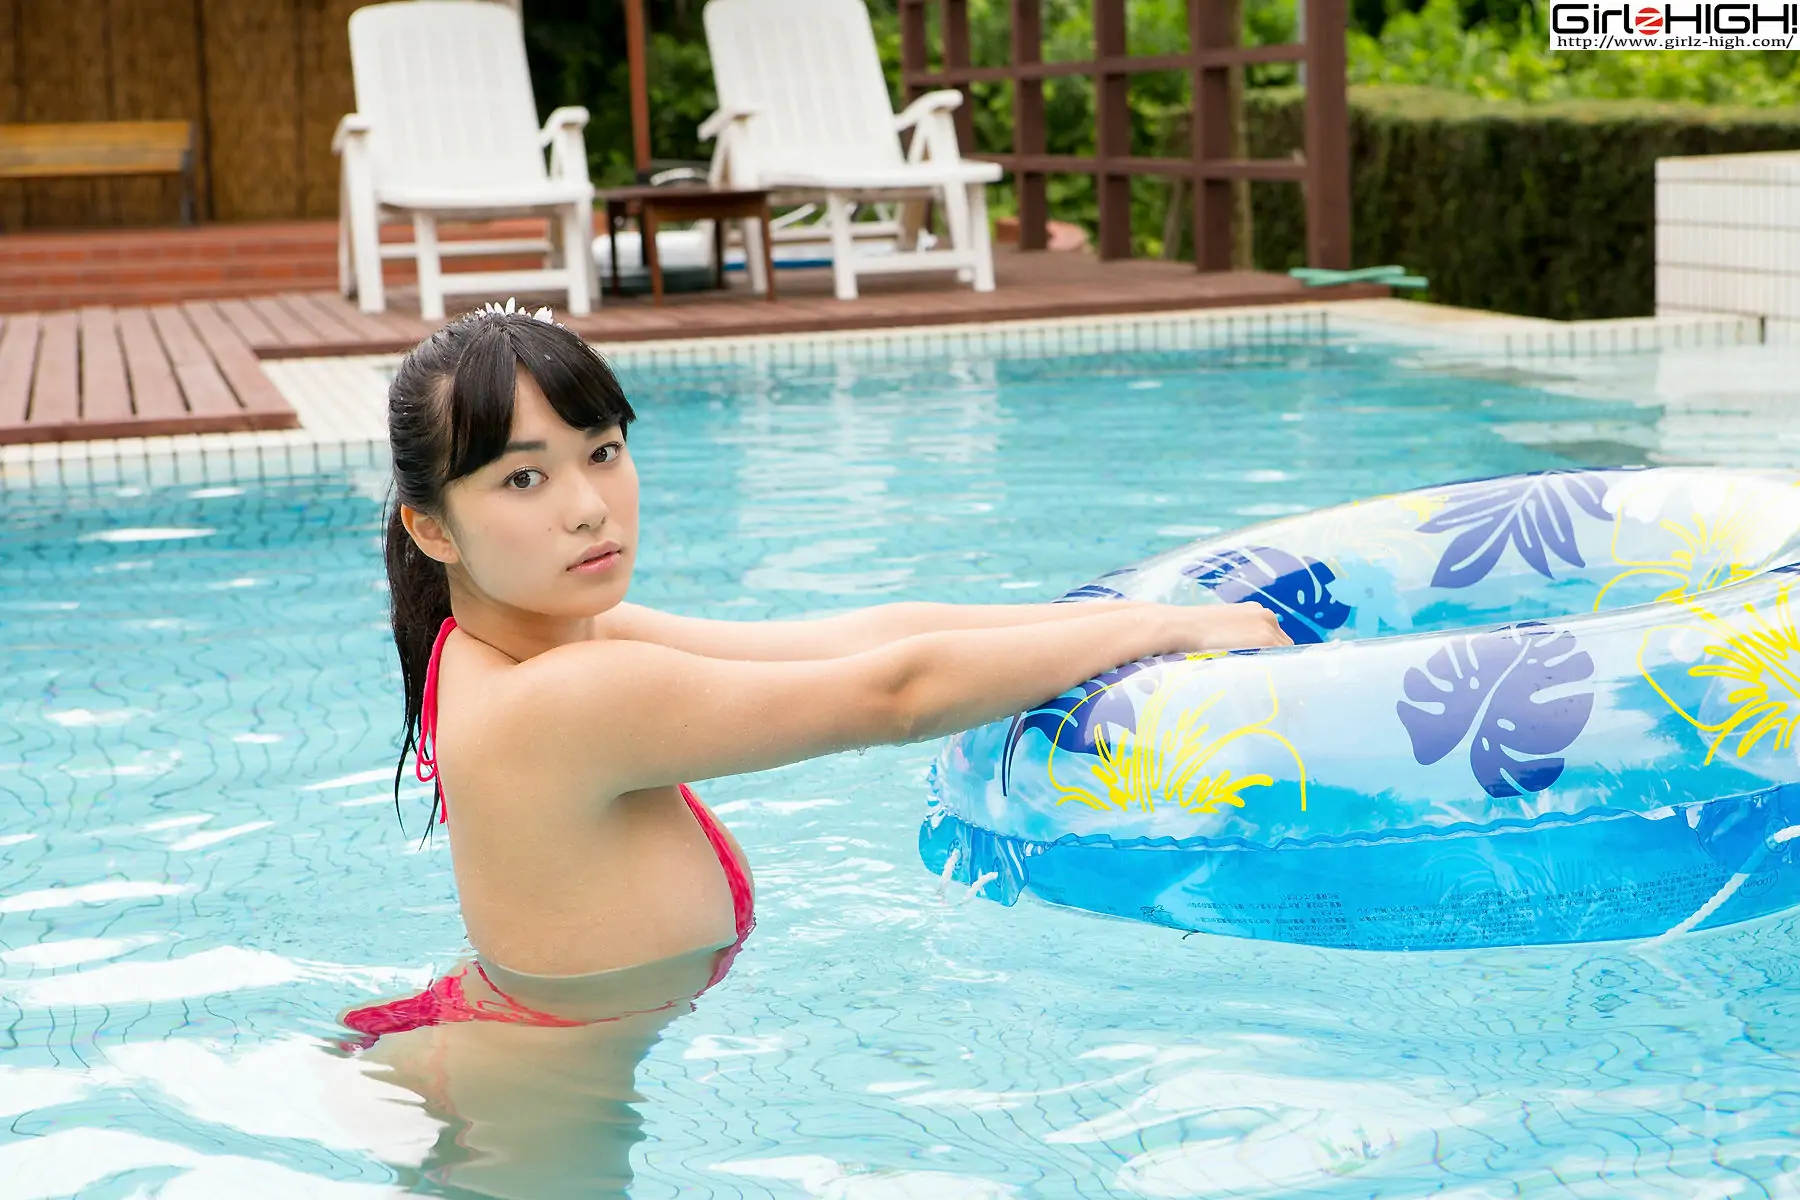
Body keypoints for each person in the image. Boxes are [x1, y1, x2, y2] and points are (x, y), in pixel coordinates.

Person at [336, 301, 1290, 1196]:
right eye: (524, 478)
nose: (588, 506)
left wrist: (1135, 618)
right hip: (533, 1101)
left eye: (604, 451)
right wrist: (1157, 634)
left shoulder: (543, 640)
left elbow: (859, 638)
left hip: (503, 1040)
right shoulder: (569, 696)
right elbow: (895, 695)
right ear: (432, 528)